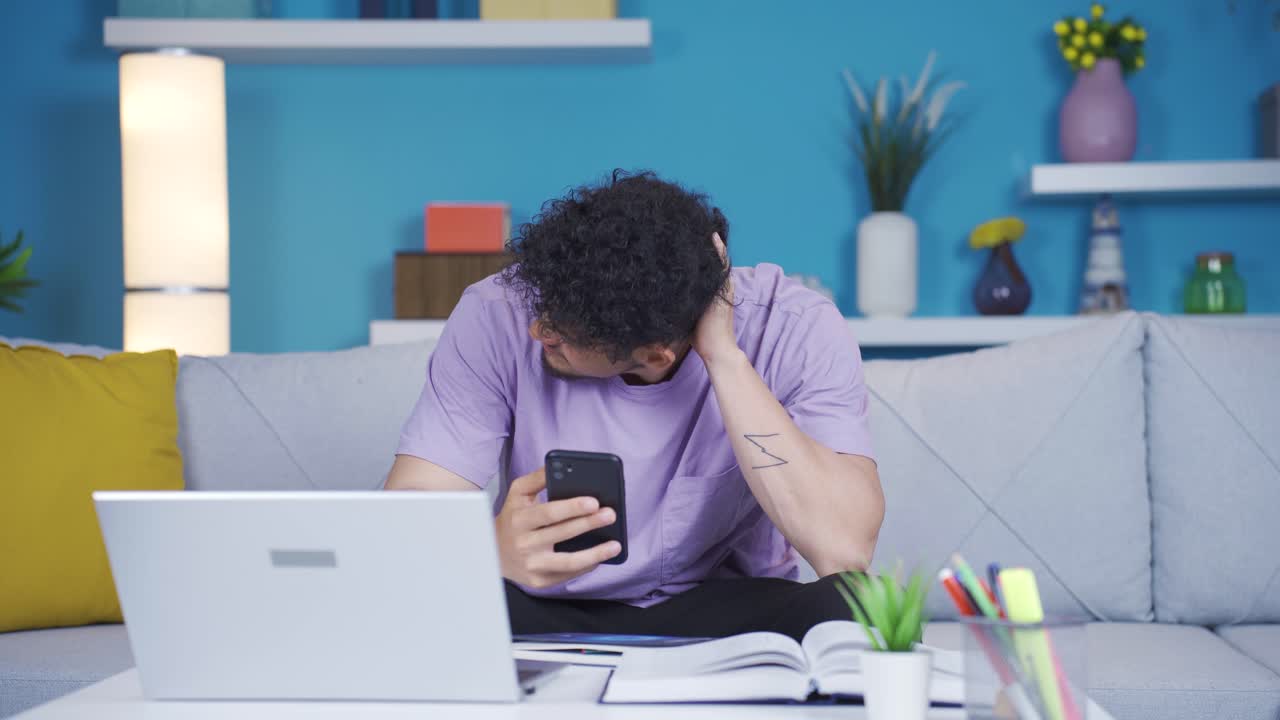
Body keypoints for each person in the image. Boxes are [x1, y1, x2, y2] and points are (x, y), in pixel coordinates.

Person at [386, 170, 884, 641]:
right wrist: (486, 552)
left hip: (720, 605)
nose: (538, 330)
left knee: (860, 606)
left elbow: (844, 549)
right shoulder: (496, 312)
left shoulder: (796, 325)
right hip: (541, 604)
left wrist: (723, 356)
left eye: (561, 336)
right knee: (404, 605)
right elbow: (407, 521)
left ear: (652, 355)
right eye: (542, 310)